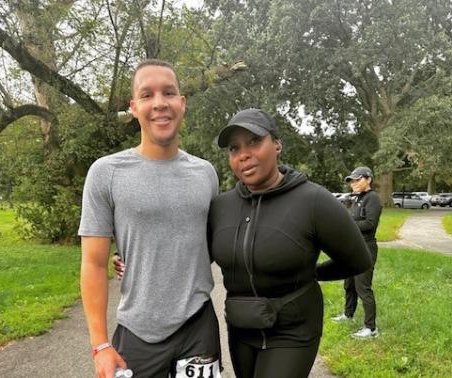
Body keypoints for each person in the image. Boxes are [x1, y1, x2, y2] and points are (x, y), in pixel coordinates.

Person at [79, 59, 222, 378]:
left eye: (169, 93)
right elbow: (93, 264)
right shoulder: (106, 173)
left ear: (182, 104)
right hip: (137, 331)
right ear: (133, 107)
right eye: (147, 95)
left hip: (198, 326)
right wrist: (100, 345)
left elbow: (210, 245)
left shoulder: (206, 174)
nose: (159, 103)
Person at [207, 109, 372, 378]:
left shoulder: (313, 201)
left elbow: (358, 260)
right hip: (242, 326)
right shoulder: (221, 207)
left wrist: (313, 273)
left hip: (292, 330)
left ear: (277, 144)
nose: (243, 154)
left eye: (254, 142)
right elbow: (192, 256)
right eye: (234, 148)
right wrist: (131, 261)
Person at [331, 166, 383, 338]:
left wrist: (347, 226)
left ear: (368, 179)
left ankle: (371, 328)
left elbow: (370, 224)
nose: (353, 183)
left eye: (357, 179)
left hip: (366, 248)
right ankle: (348, 314)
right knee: (349, 285)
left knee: (363, 287)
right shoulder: (356, 198)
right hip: (352, 248)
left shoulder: (373, 198)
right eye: (352, 180)